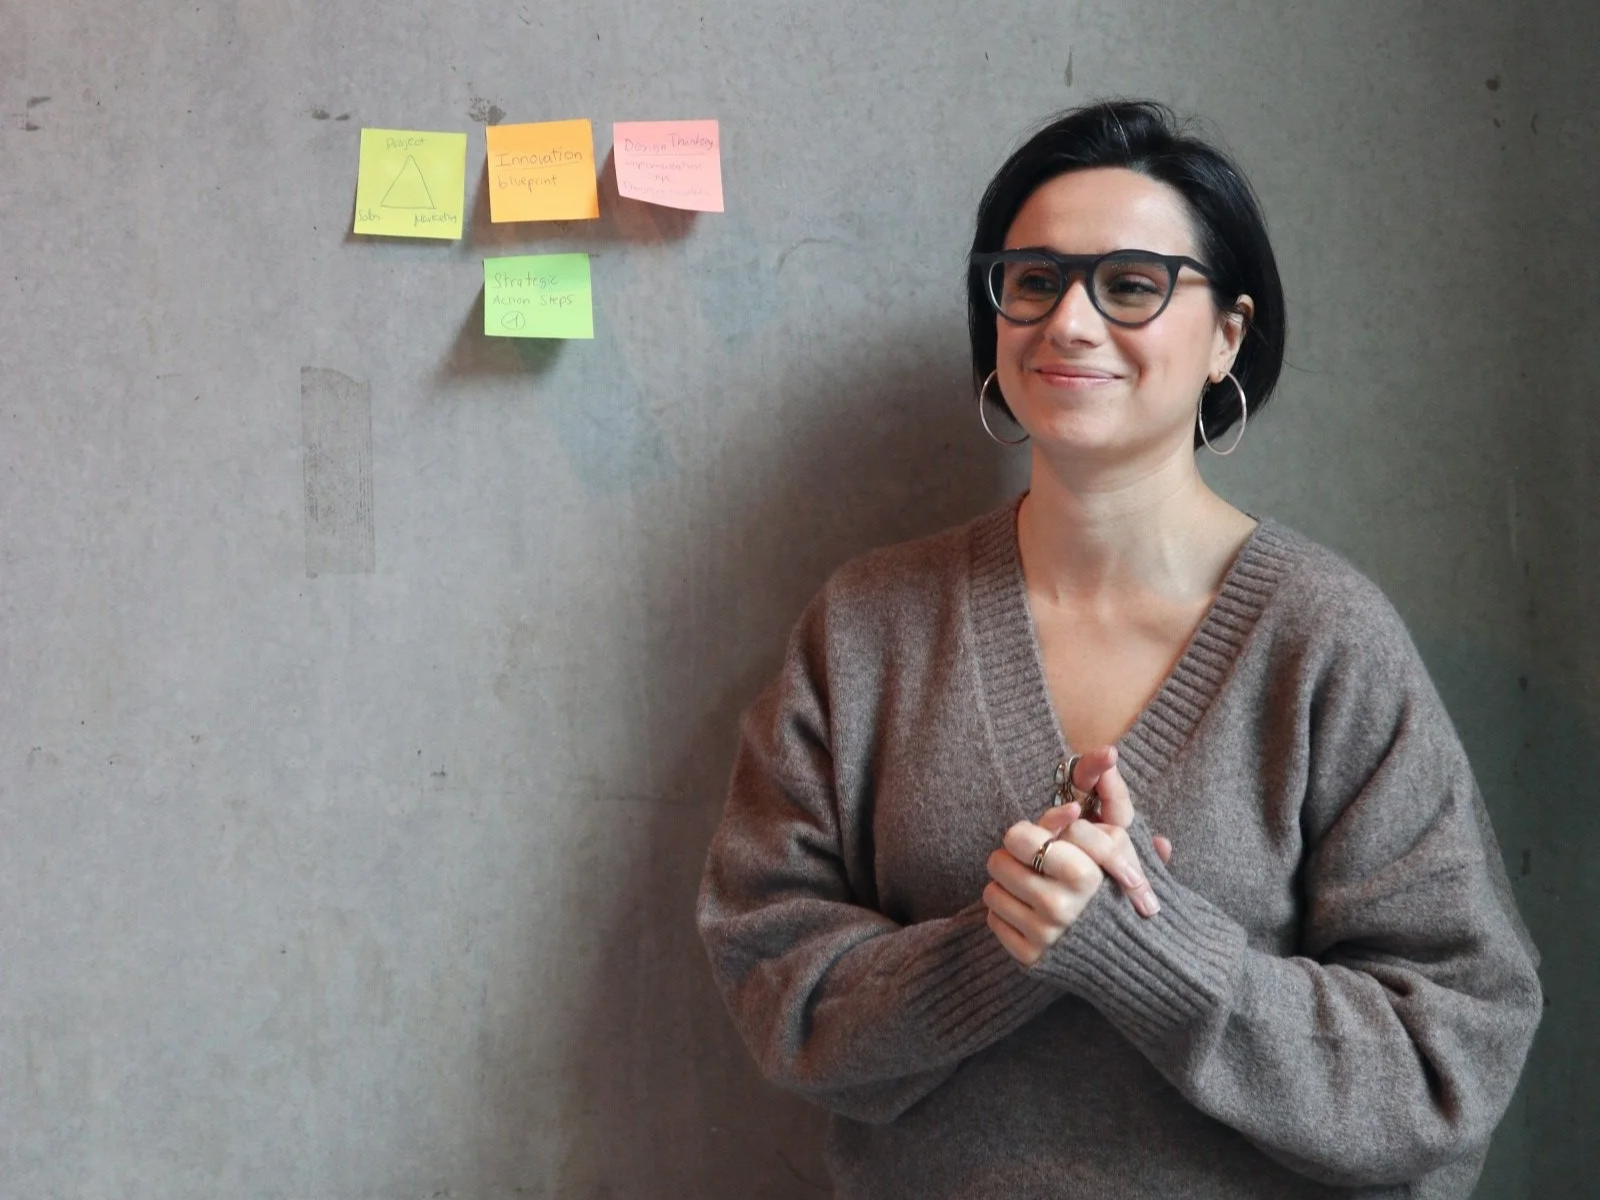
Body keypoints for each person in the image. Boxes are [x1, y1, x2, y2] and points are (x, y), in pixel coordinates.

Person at [695, 99, 1542, 1199]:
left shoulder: (1323, 638)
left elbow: (1450, 1058)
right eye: (1033, 280)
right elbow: (776, 981)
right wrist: (997, 947)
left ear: (1226, 335)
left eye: (1131, 284)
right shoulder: (869, 626)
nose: (1070, 324)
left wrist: (1138, 948)